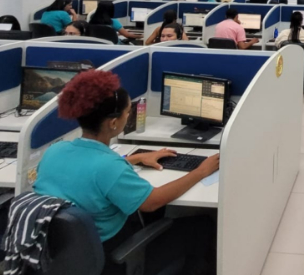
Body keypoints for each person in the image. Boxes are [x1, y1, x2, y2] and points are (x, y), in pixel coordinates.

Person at [33, 70, 219, 274]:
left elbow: (87, 169)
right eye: (128, 111)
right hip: (111, 257)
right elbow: (152, 202)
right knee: (201, 225)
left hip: (60, 253)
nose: (129, 115)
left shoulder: (55, 151)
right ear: (113, 122)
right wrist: (200, 171)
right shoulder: (109, 167)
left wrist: (136, 158)